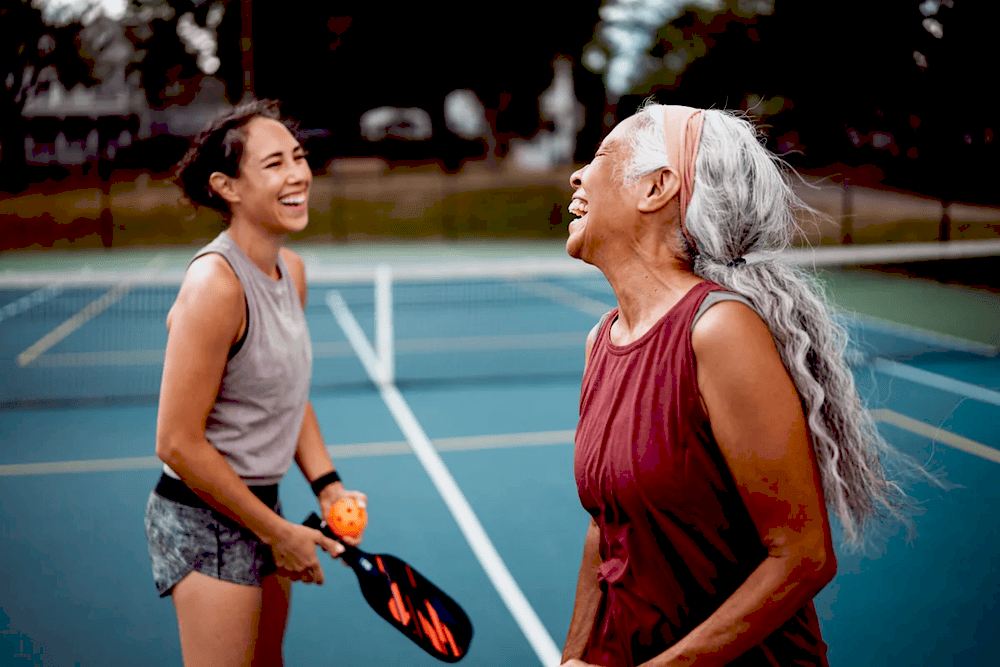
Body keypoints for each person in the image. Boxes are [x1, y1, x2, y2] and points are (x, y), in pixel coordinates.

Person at [559, 102, 925, 667]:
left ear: (656, 187)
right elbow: (606, 527)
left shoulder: (719, 330)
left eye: (601, 155)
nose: (578, 175)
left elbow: (801, 557)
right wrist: (574, 656)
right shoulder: (600, 340)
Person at [144, 99, 367, 667]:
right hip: (204, 517)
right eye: (273, 164)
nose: (297, 175)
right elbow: (175, 440)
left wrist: (328, 485)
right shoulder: (215, 285)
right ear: (228, 187)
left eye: (298, 157)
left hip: (260, 506)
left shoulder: (291, 272)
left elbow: (286, 393)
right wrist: (280, 533)